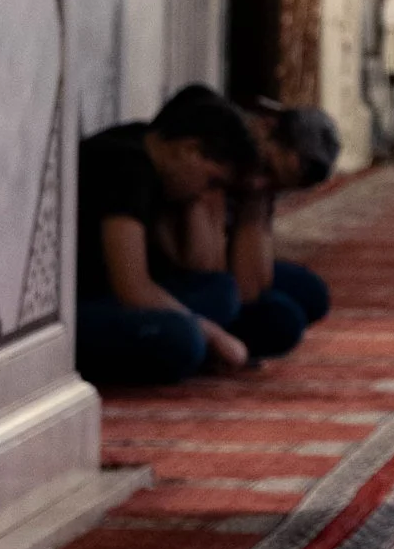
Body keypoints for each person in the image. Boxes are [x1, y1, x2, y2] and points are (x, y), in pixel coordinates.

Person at [75, 88, 276, 390]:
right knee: (185, 340)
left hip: (111, 295)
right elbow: (133, 287)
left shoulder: (148, 150)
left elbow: (196, 264)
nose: (205, 193)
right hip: (83, 306)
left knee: (222, 292)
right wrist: (208, 331)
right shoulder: (125, 167)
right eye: (211, 181)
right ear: (190, 150)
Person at [169, 100, 340, 332]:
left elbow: (251, 288)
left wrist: (257, 202)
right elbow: (206, 271)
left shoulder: (257, 185)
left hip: (216, 272)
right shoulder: (212, 156)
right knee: (273, 317)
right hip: (173, 268)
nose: (258, 183)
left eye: (276, 187)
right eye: (267, 169)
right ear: (265, 127)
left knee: (310, 294)